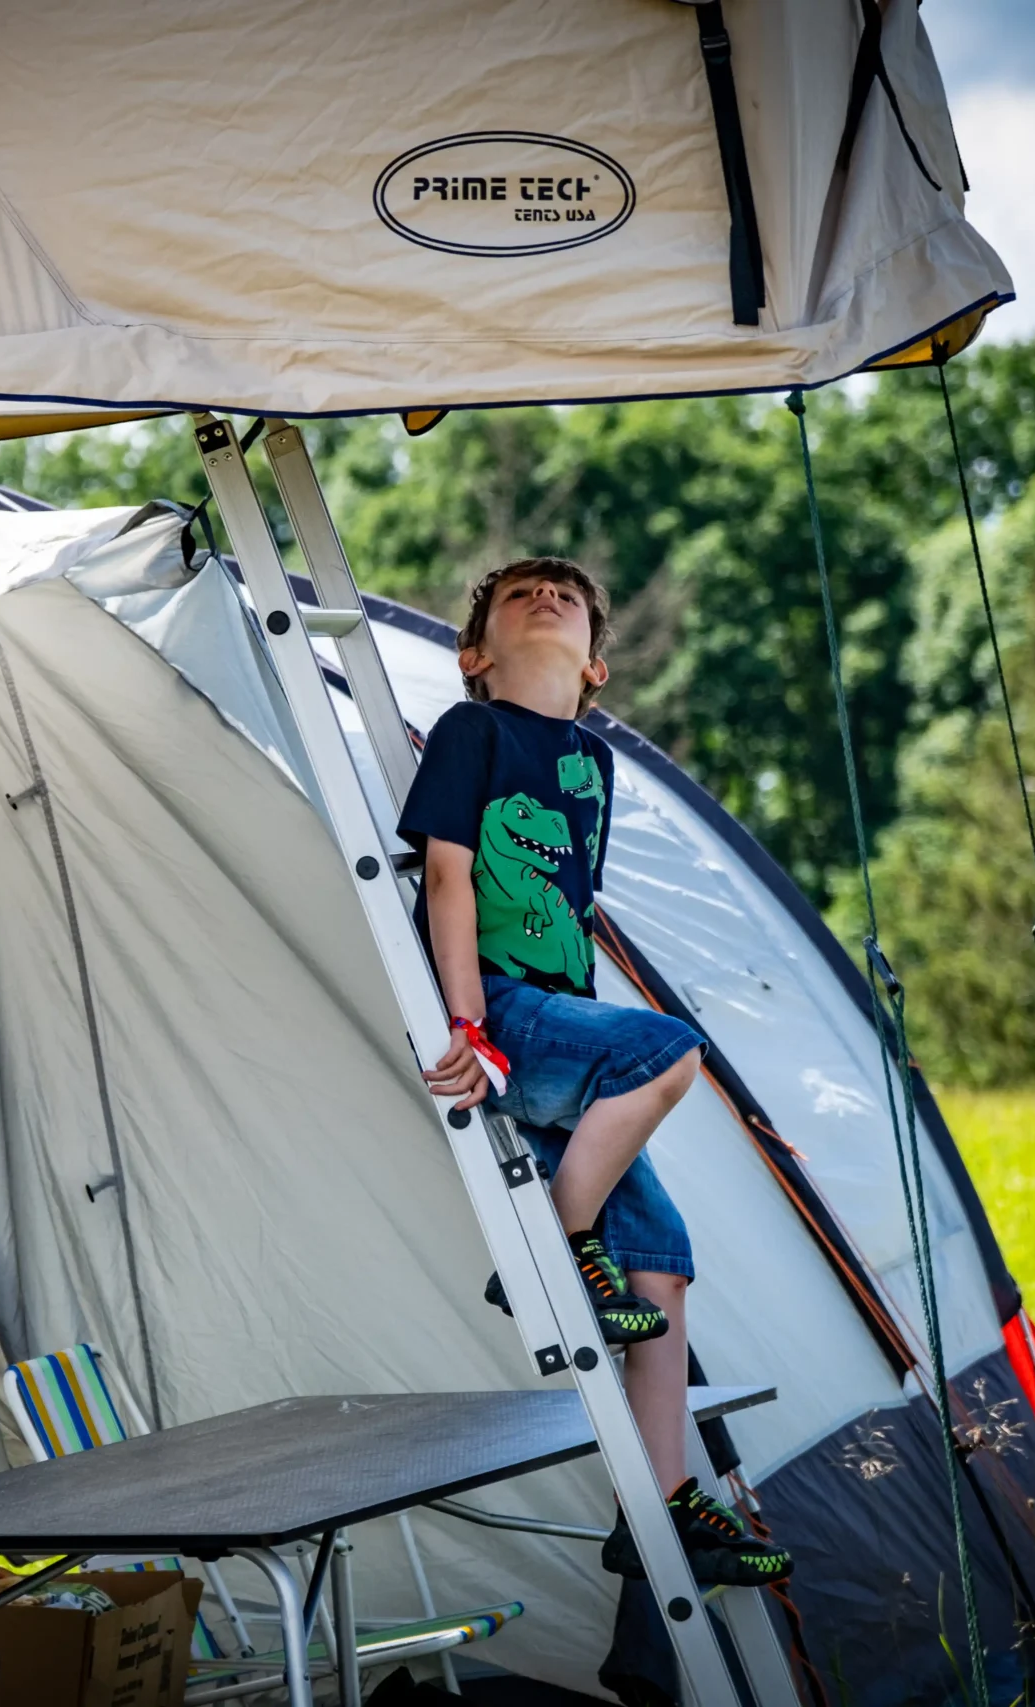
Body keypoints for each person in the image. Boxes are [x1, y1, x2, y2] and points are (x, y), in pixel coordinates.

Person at [397, 558, 790, 1589]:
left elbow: (575, 905)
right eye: (516, 594)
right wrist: (468, 1024)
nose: (545, 596)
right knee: (665, 1048)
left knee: (659, 1265)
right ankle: (561, 1246)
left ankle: (661, 1506)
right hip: (501, 1007)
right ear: (475, 656)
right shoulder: (470, 733)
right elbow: (446, 873)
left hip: (558, 1022)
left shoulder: (593, 764)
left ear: (597, 666)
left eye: (565, 595)